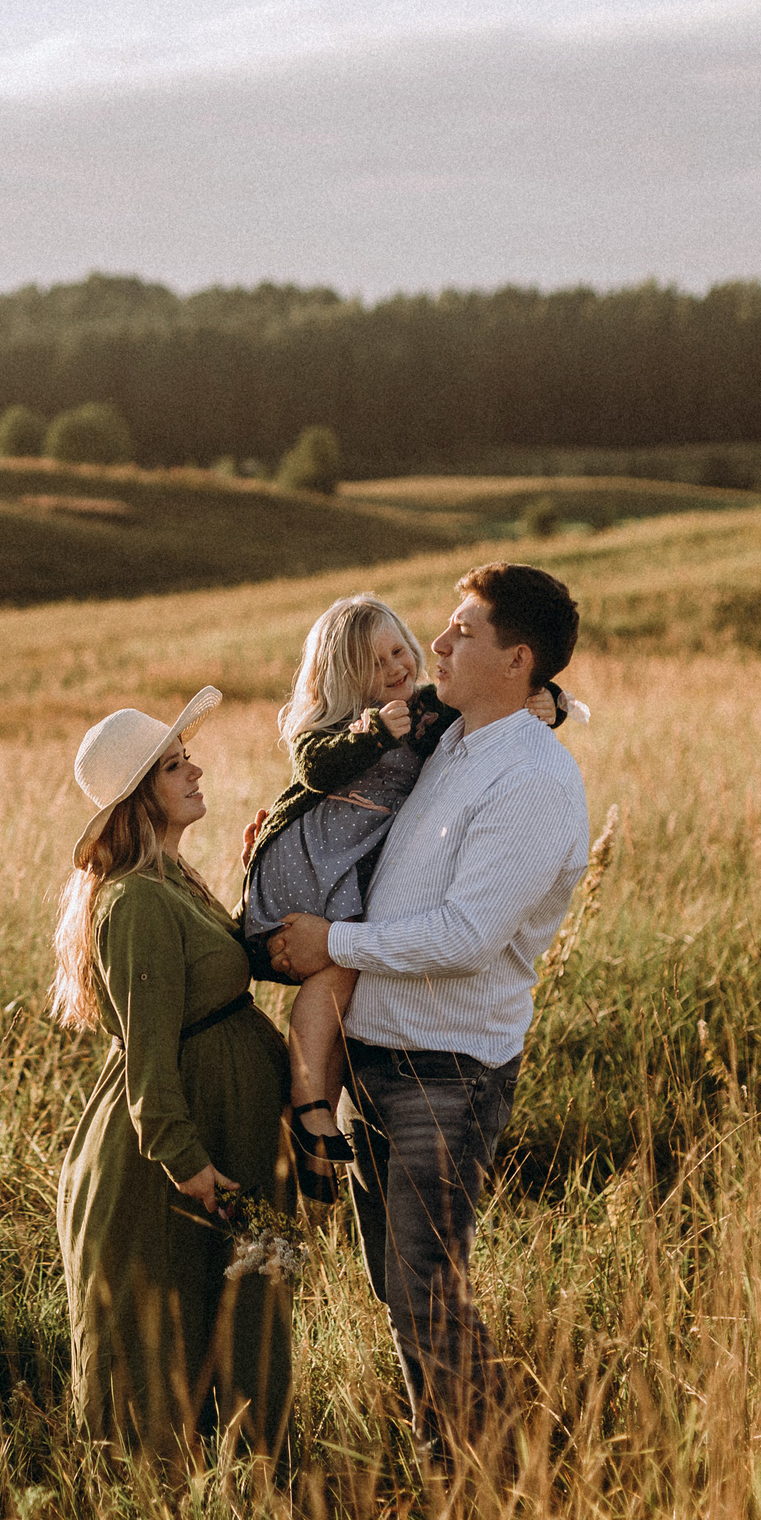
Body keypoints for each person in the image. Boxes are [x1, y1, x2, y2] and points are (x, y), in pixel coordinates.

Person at [266, 563, 590, 1466]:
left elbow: (467, 935)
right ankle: (444, 1452)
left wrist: (336, 939)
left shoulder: (530, 778)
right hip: (381, 1061)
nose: (437, 645)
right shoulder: (455, 741)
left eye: (461, 633)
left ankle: (481, 1480)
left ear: (516, 659)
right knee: (398, 1281)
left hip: (443, 1072)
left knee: (424, 1289)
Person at [239, 595, 566, 1201]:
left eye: (398, 650)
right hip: (317, 868)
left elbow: (492, 705)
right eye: (373, 661)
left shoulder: (427, 711)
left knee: (343, 978)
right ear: (341, 677)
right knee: (335, 970)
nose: (394, 667)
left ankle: (316, 1124)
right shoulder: (336, 726)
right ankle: (310, 1106)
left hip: (357, 871)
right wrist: (367, 732)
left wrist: (550, 701)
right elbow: (312, 767)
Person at [51, 686, 295, 1464]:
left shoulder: (176, 882)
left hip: (232, 1143)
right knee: (165, 1370)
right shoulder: (137, 903)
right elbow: (150, 1061)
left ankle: (261, 1487)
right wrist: (195, 1171)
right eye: (172, 765)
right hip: (174, 1171)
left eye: (187, 757)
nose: (195, 771)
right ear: (137, 800)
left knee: (256, 1315)